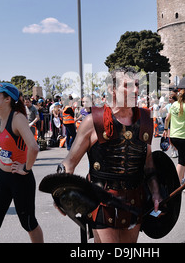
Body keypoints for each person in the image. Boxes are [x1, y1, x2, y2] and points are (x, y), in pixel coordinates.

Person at [59, 67, 162, 243]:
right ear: (111, 89)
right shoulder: (94, 121)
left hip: (135, 200)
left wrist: (156, 192)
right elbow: (69, 163)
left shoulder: (145, 119)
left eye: (137, 85)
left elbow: (148, 162)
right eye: (128, 85)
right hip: (102, 203)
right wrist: (59, 191)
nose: (136, 90)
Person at [0, 83, 43, 243]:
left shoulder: (17, 118)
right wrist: (2, 162)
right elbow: (8, 147)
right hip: (3, 178)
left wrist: (26, 168)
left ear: (8, 99)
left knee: (28, 223)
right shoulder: (1, 117)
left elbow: (34, 147)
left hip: (20, 179)